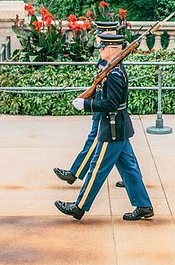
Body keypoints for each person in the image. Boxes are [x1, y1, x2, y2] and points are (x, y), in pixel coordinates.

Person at [54, 33, 153, 221]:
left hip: (113, 127)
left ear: (114, 49)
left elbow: (111, 104)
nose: (100, 50)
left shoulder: (115, 74)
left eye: (103, 47)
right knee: (129, 169)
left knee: (96, 168)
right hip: (119, 126)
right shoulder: (111, 69)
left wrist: (87, 105)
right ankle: (144, 206)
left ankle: (79, 207)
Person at [53, 21, 125, 188]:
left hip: (105, 109)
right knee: (124, 154)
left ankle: (75, 173)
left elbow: (111, 92)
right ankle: (130, 179)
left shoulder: (114, 61)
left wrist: (89, 104)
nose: (99, 44)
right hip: (100, 104)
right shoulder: (107, 58)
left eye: (103, 36)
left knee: (95, 141)